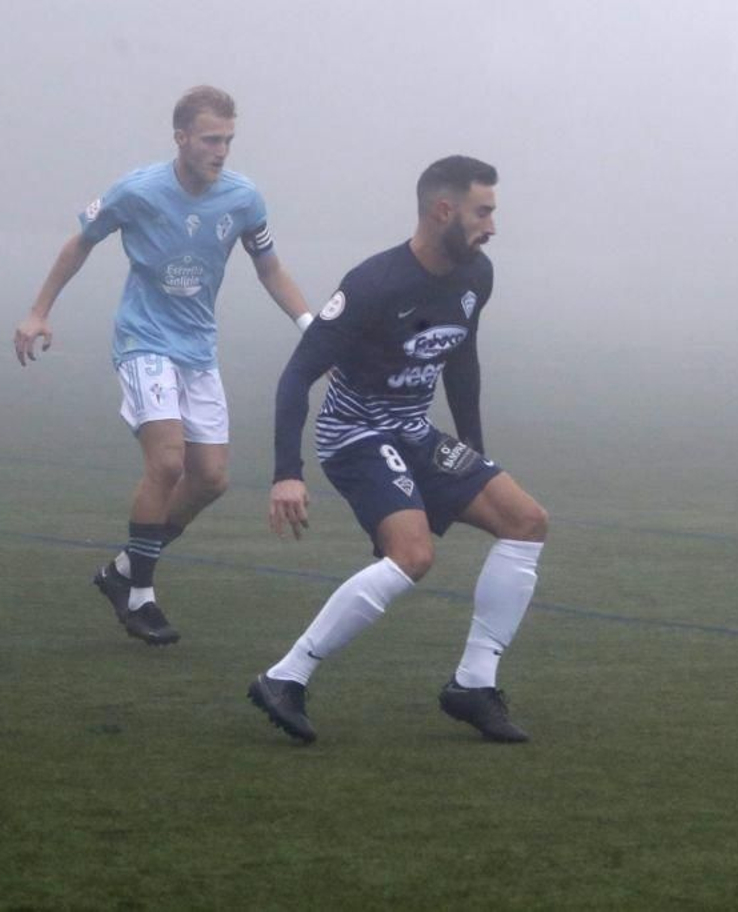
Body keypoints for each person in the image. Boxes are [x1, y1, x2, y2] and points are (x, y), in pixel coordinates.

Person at [247, 155, 550, 746]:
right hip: (355, 434)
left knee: (526, 521)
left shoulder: (476, 276)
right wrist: (287, 473)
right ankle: (286, 676)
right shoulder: (373, 283)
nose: (493, 225)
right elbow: (296, 376)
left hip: (414, 430)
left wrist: (476, 456)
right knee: (412, 556)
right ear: (444, 210)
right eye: (483, 211)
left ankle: (473, 685)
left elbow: (461, 359)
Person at [12, 86, 313, 646]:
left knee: (212, 479)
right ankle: (141, 595)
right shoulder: (139, 190)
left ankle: (122, 571)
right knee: (168, 464)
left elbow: (269, 267)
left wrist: (310, 325)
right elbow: (81, 242)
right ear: (180, 138)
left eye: (227, 140)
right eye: (209, 139)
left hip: (198, 350)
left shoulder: (244, 198)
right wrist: (37, 311)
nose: (220, 150)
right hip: (143, 340)